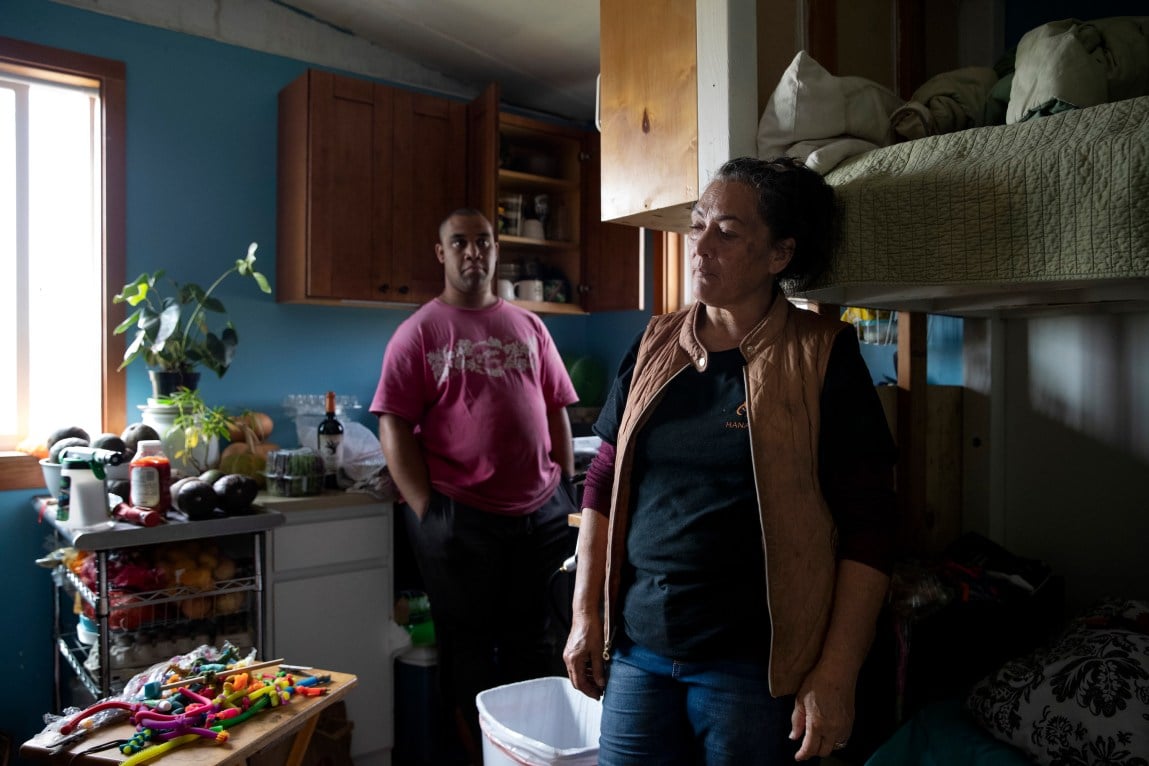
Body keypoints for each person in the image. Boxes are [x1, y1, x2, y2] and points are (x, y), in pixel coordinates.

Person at [563, 156, 898, 765]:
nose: (701, 246)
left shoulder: (822, 354)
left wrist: (837, 673)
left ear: (779, 254)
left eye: (728, 231)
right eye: (697, 226)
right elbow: (602, 483)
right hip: (640, 653)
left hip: (753, 671)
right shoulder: (654, 343)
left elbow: (870, 529)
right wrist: (585, 614)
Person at [372, 208, 580, 759]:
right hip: (461, 519)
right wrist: (426, 508)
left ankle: (528, 754)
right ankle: (471, 756)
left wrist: (564, 482)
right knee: (466, 653)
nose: (473, 252)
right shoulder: (419, 332)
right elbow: (391, 420)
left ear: (495, 250)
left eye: (483, 241)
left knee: (532, 645)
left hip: (539, 516)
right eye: (459, 242)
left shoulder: (530, 325)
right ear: (441, 253)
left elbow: (557, 404)